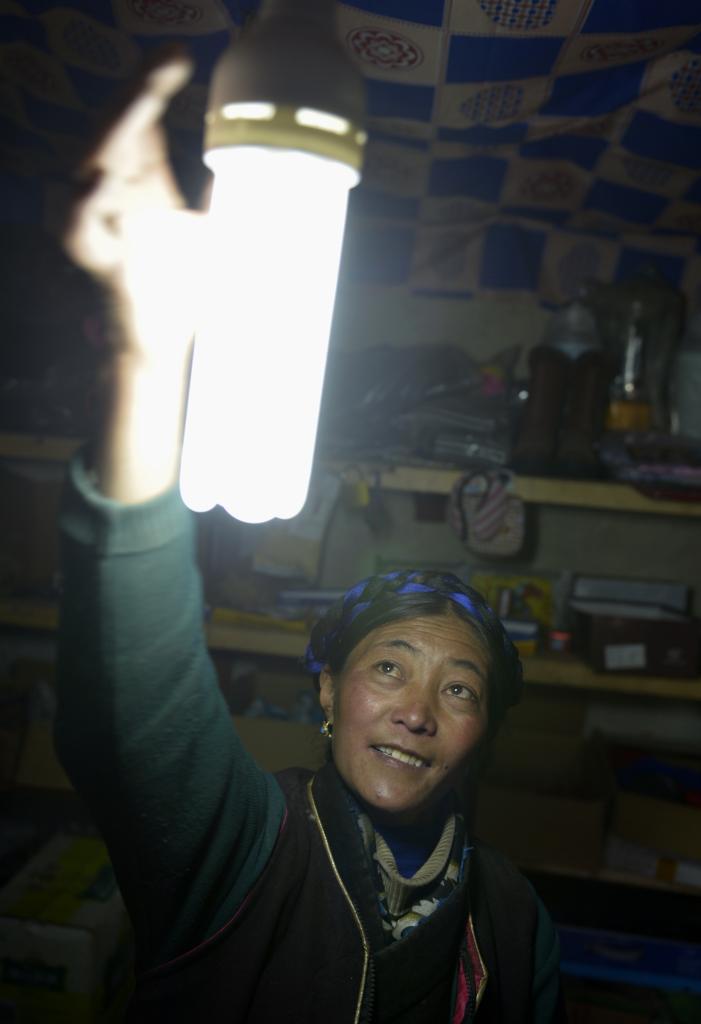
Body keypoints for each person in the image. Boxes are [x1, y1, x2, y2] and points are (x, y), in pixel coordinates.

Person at [54, 47, 566, 1023]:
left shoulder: (511, 919)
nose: (416, 712)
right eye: (389, 668)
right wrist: (149, 357)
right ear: (326, 690)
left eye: (459, 689)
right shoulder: (240, 845)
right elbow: (131, 704)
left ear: (485, 730)